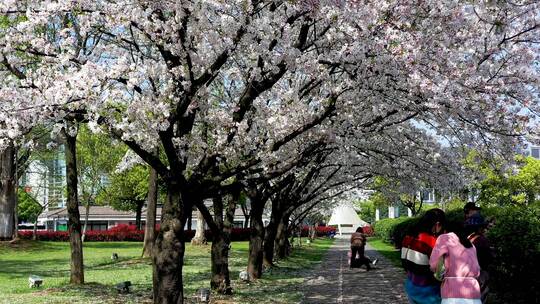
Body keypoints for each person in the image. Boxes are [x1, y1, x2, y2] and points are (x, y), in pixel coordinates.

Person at [429, 221, 482, 304]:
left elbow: (434, 264)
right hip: (474, 293)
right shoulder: (470, 244)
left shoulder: (445, 238)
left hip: (452, 293)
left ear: (445, 230)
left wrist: (438, 273)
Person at [402, 208, 445, 304]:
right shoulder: (431, 241)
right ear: (437, 224)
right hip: (427, 291)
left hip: (411, 284)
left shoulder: (408, 237)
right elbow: (440, 271)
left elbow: (404, 262)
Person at [465, 214, 494, 303]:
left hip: (468, 271)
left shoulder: (468, 237)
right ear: (481, 227)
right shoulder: (482, 240)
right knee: (481, 297)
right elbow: (488, 257)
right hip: (480, 272)